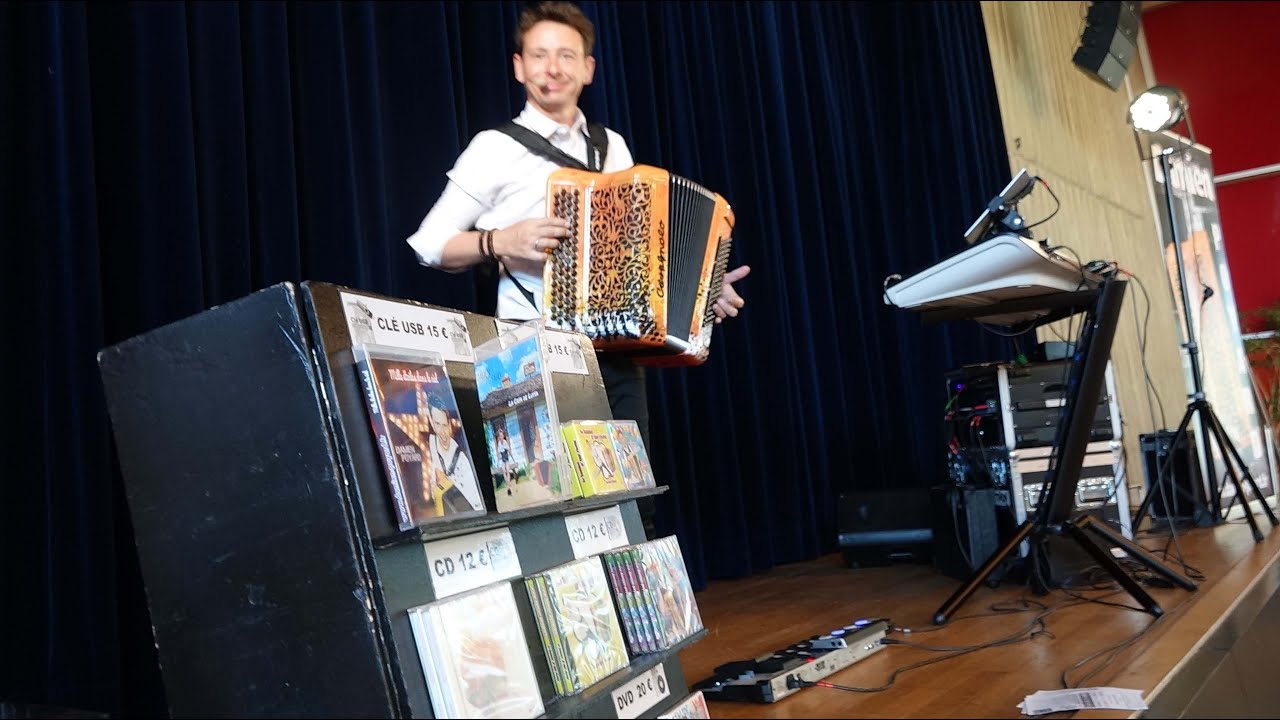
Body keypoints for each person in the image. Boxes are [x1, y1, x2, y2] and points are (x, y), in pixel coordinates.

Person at [407, 0, 749, 539]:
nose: (553, 68)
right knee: (549, 502)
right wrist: (500, 240)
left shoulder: (612, 147)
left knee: (633, 503)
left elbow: (639, 255)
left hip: (611, 351)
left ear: (587, 68)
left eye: (567, 55)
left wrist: (702, 292)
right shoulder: (494, 149)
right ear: (519, 66)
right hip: (529, 352)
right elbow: (429, 245)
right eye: (539, 55)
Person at [425, 388, 484, 514]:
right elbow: (437, 470)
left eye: (445, 425)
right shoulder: (432, 442)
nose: (442, 431)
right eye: (437, 424)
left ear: (449, 423)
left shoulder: (461, 458)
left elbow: (475, 501)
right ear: (431, 421)